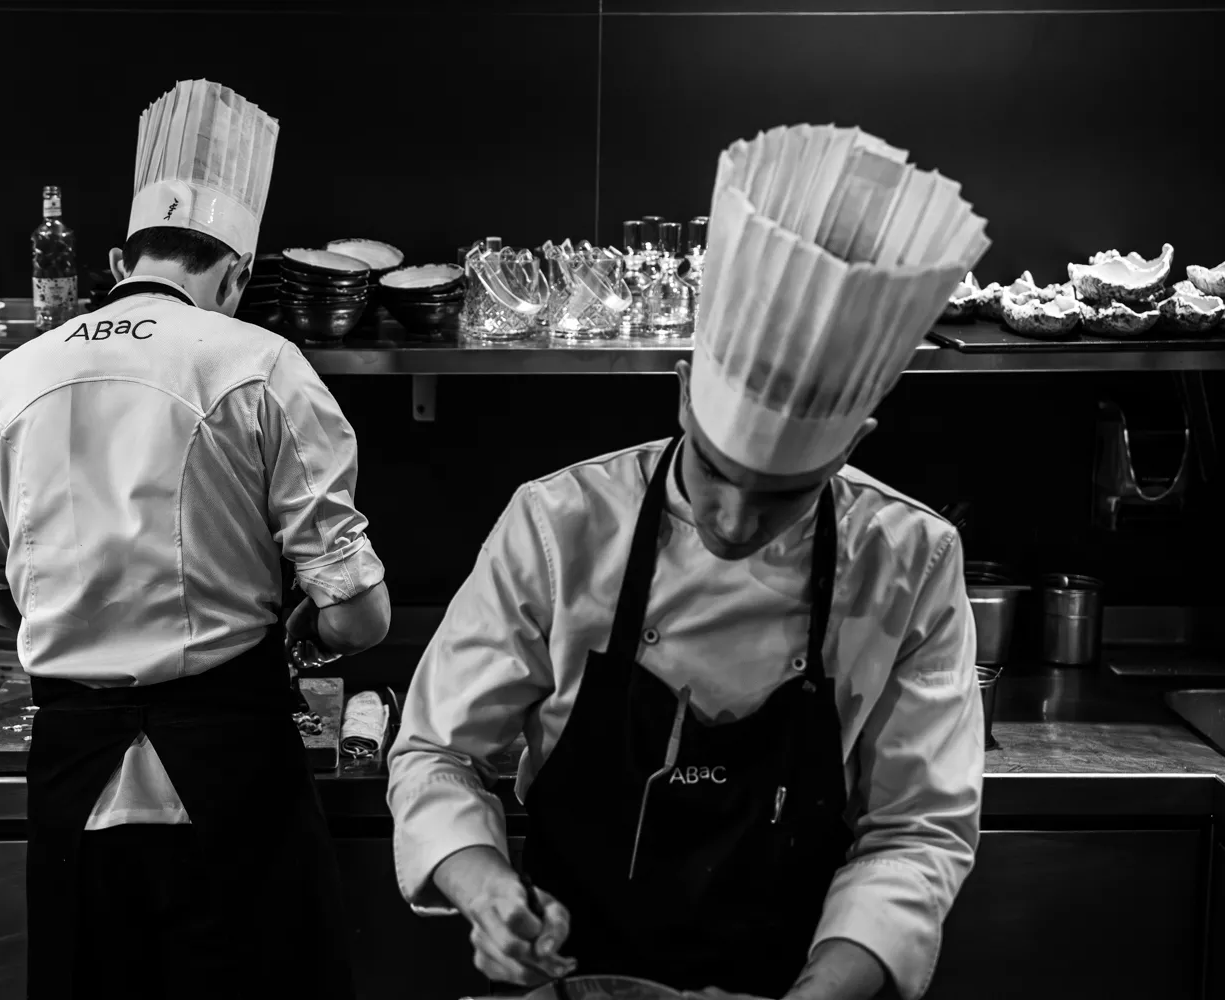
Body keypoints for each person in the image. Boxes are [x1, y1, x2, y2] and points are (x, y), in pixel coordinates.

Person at [386, 126, 992, 1000]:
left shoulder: (908, 555)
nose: (733, 520)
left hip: (794, 979)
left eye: (782, 495)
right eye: (714, 470)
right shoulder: (559, 524)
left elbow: (916, 830)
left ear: (852, 446)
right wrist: (485, 893)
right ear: (681, 393)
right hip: (575, 974)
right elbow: (438, 752)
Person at [0, 79, 388, 1000]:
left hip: (74, 770)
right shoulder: (262, 365)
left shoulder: (11, 379)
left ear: (118, 257)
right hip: (235, 768)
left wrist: (68, 609)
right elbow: (360, 620)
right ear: (237, 273)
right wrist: (305, 630)